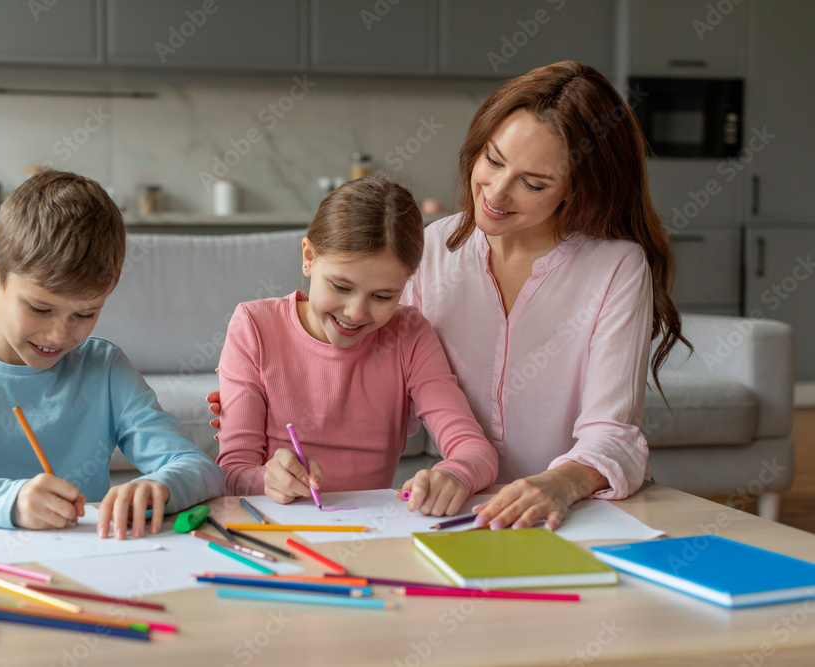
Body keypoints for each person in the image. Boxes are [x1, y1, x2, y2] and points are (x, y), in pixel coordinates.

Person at [210, 61, 687, 531]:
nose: (496, 193)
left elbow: (611, 431)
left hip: (574, 509)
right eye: (494, 160)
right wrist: (266, 392)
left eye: (534, 183)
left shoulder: (615, 267)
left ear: (579, 190)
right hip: (463, 514)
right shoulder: (433, 248)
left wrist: (557, 484)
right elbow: (384, 369)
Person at [0, 170, 224, 538]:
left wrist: (160, 486)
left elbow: (199, 467)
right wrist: (10, 500)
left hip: (81, 567)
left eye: (84, 314)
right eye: (39, 308)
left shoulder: (105, 368)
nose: (59, 334)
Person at [216, 175, 499, 516]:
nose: (355, 313)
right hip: (278, 523)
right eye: (340, 286)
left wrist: (455, 474)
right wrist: (267, 479)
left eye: (383, 296)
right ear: (308, 257)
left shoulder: (409, 334)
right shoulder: (254, 326)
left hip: (370, 527)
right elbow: (232, 472)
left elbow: (474, 450)